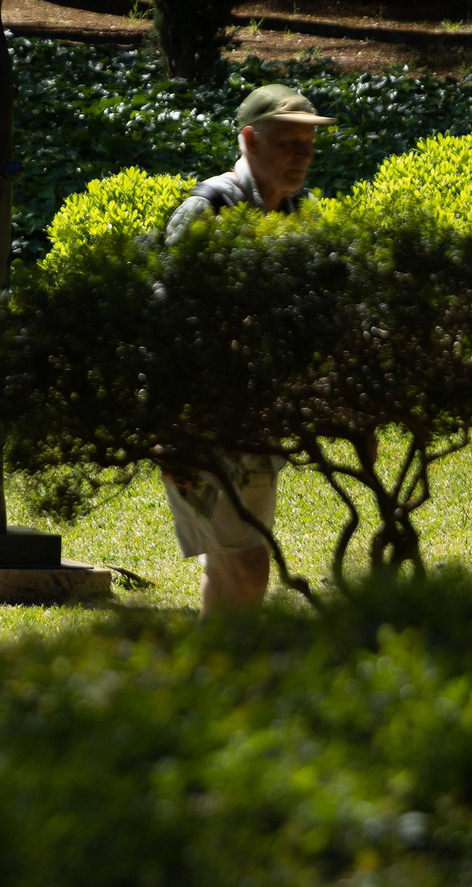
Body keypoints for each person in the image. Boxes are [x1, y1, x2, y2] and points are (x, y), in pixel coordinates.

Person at [160, 84, 336, 613]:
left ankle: (214, 682)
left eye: (307, 146)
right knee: (247, 563)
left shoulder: (300, 215)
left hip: (257, 425)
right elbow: (165, 321)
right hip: (198, 425)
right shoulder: (207, 210)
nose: (301, 158)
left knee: (229, 566)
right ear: (249, 141)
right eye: (288, 144)